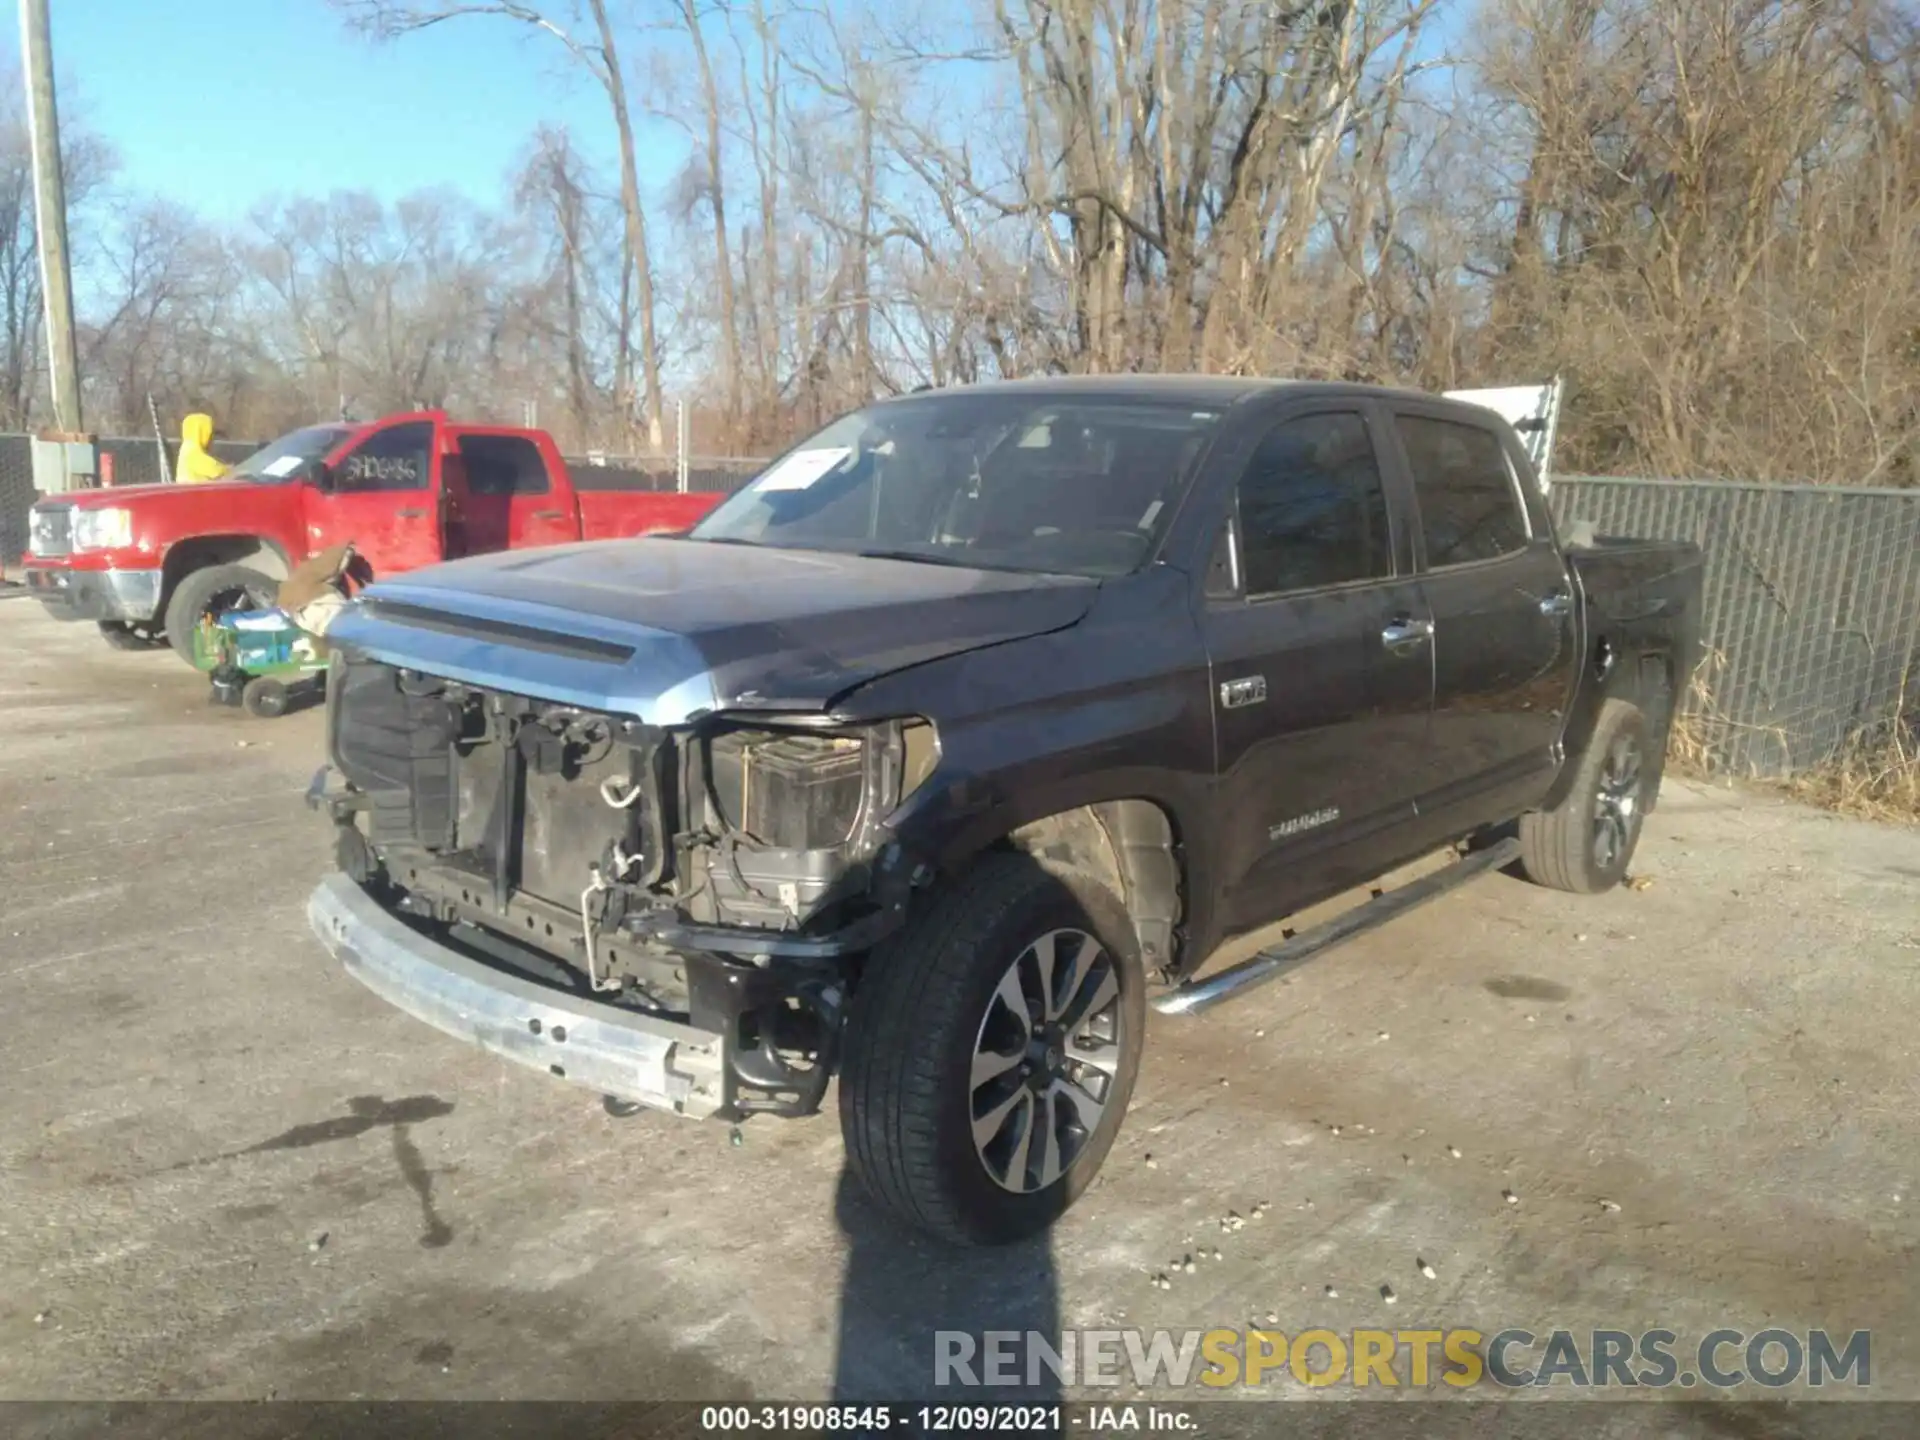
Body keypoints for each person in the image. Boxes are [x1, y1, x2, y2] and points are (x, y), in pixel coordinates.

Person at [176, 412, 230, 484]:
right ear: (201, 432)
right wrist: (228, 470)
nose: (211, 439)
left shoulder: (186, 448)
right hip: (194, 494)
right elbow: (216, 470)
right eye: (210, 434)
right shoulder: (193, 452)